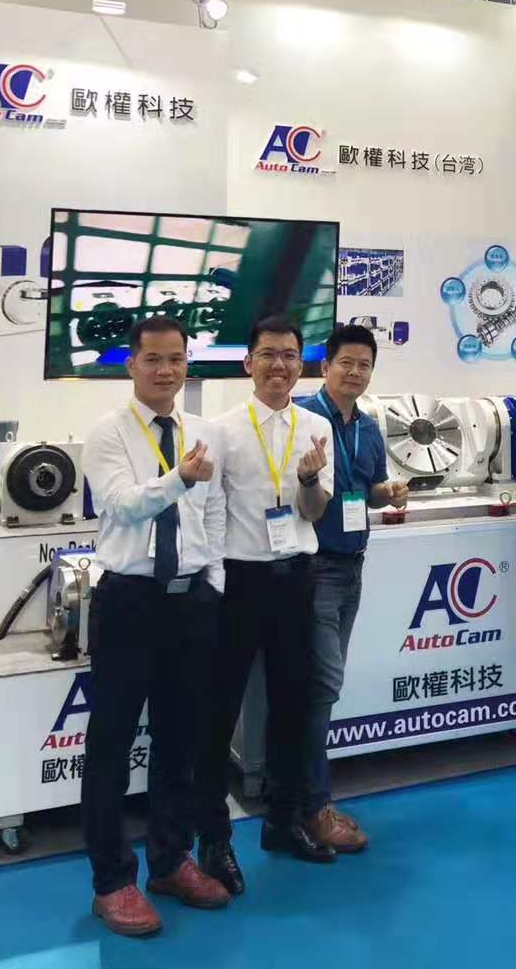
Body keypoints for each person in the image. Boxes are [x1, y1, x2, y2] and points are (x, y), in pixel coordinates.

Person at [82, 315, 230, 939]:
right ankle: (112, 881)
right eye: (153, 359)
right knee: (112, 743)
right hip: (129, 602)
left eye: (176, 359)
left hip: (190, 601)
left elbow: (214, 512)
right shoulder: (107, 434)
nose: (166, 370)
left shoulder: (204, 432)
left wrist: (212, 577)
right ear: (131, 365)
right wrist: (179, 479)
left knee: (180, 740)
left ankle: (170, 861)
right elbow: (122, 504)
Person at [195, 316, 335, 896]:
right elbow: (209, 513)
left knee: (292, 705)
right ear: (248, 363)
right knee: (219, 711)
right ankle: (214, 839)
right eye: (269, 354)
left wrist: (307, 480)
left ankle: (283, 821)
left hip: (296, 578)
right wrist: (214, 581)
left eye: (290, 355)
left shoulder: (316, 428)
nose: (280, 365)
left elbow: (313, 512)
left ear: (302, 364)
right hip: (238, 580)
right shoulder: (222, 430)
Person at [299, 325, 408, 853]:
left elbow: (370, 491)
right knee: (321, 685)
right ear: (326, 367)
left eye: (364, 365)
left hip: (351, 566)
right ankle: (313, 806)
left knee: (321, 687)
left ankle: (299, 796)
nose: (355, 373)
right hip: (311, 568)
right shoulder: (302, 419)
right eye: (346, 363)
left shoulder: (368, 427)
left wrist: (390, 491)